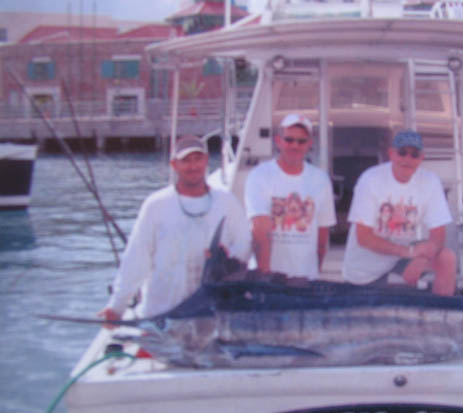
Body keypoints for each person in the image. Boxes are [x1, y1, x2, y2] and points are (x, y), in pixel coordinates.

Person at [98, 135, 251, 321]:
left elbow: (244, 244)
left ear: (206, 160)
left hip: (209, 317)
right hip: (161, 315)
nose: (193, 166)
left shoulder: (228, 202)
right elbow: (136, 258)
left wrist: (228, 258)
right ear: (174, 165)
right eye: (185, 160)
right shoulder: (155, 204)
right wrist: (117, 306)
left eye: (197, 159)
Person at [342, 130, 456, 296]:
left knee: (447, 258)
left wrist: (421, 259)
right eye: (402, 153)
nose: (407, 159)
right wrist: (409, 253)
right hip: (365, 266)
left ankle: (444, 313)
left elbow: (438, 236)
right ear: (391, 154)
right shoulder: (370, 180)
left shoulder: (431, 181)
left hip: (402, 255)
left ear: (421, 158)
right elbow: (363, 238)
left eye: (414, 154)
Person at [244, 113, 336, 279]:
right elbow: (260, 230)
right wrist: (265, 276)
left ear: (310, 144)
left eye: (301, 141)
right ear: (278, 141)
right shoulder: (259, 175)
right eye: (289, 140)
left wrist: (315, 273)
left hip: (306, 279)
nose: (295, 145)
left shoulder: (321, 179)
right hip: (268, 280)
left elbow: (322, 237)